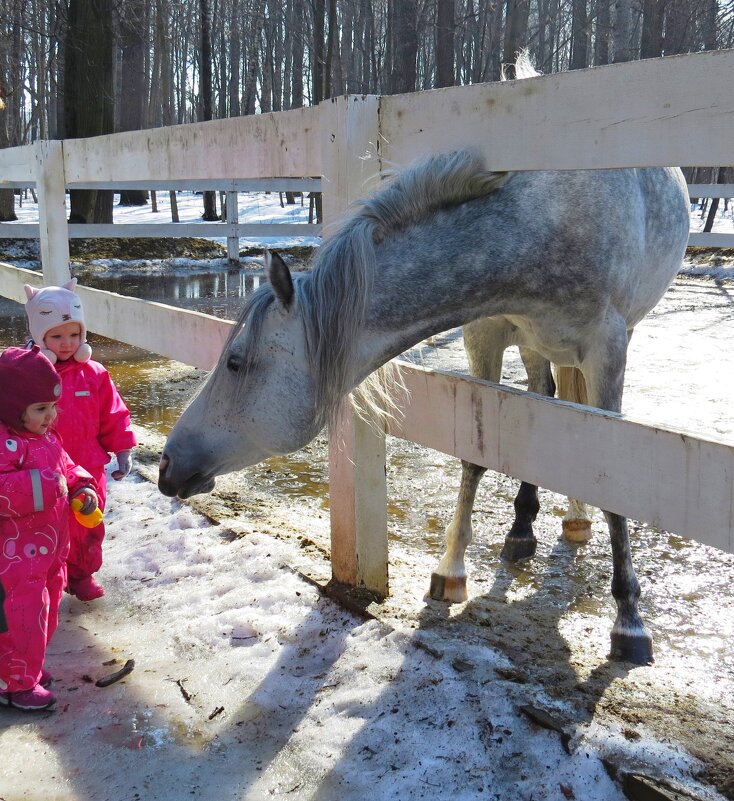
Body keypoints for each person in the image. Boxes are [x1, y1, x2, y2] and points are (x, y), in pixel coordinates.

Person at [24, 280, 137, 602]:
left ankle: (81, 574)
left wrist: (123, 447)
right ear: (39, 335)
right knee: (48, 525)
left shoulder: (95, 373)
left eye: (74, 335)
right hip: (43, 465)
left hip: (89, 463)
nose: (67, 343)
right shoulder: (27, 371)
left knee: (89, 522)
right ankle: (48, 579)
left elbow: (113, 413)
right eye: (56, 336)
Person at [0, 346, 99, 711]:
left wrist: (81, 486)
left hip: (50, 553)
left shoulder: (46, 438)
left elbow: (67, 467)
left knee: (46, 611)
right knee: (18, 619)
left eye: (53, 407)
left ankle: (27, 669)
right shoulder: (3, 444)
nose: (51, 416)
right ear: (12, 407)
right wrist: (45, 486)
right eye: (40, 409)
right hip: (13, 562)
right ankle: (14, 684)